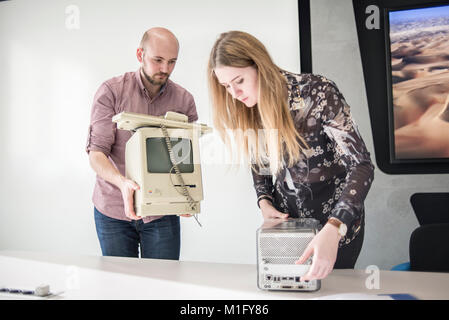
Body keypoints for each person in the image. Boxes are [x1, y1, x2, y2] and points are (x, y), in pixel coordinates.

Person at [207, 31, 374, 281]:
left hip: (336, 228)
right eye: (226, 86)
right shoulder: (250, 107)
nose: (234, 93)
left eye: (239, 80)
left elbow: (361, 165)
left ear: (259, 65)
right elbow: (260, 161)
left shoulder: (318, 92)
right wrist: (264, 200)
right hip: (288, 232)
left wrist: (335, 227)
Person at [86, 27, 198, 260]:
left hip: (162, 213)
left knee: (163, 287)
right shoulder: (111, 92)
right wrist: (122, 182)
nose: (165, 69)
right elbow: (97, 154)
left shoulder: (183, 100)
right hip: (113, 211)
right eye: (158, 60)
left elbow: (187, 158)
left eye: (172, 62)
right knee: (120, 287)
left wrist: (186, 194)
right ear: (140, 55)